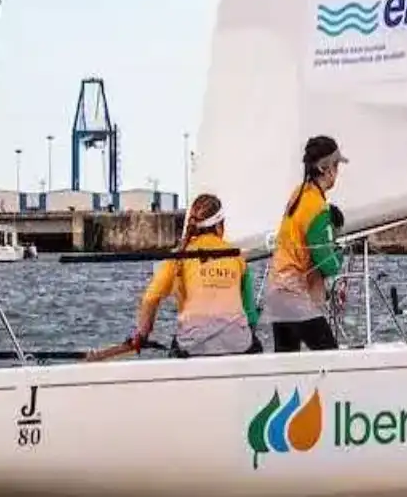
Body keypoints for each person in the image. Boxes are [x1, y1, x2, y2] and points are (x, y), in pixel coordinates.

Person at [130, 192, 261, 357]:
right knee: (255, 344)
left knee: (179, 343)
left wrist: (142, 335)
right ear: (220, 225)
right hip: (236, 344)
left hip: (192, 345)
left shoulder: (179, 256)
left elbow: (150, 299)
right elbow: (251, 316)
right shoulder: (236, 256)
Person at [264, 135, 348, 352]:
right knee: (331, 357)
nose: (337, 173)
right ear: (325, 169)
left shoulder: (298, 194)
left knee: (287, 364)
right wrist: (339, 251)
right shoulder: (317, 207)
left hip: (277, 291)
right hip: (294, 294)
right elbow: (328, 264)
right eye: (336, 166)